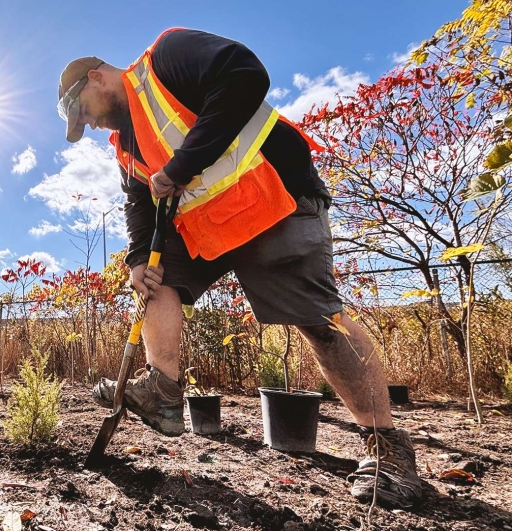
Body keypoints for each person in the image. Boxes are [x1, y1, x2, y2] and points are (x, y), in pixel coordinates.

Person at [57, 28, 422, 508]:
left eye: (84, 111)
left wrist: (182, 164)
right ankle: (163, 392)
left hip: (274, 200)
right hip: (209, 228)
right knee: (154, 281)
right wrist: (138, 259)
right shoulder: (125, 147)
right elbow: (139, 205)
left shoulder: (166, 59)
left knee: (319, 322)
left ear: (96, 77)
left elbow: (246, 75)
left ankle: (388, 448)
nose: (91, 124)